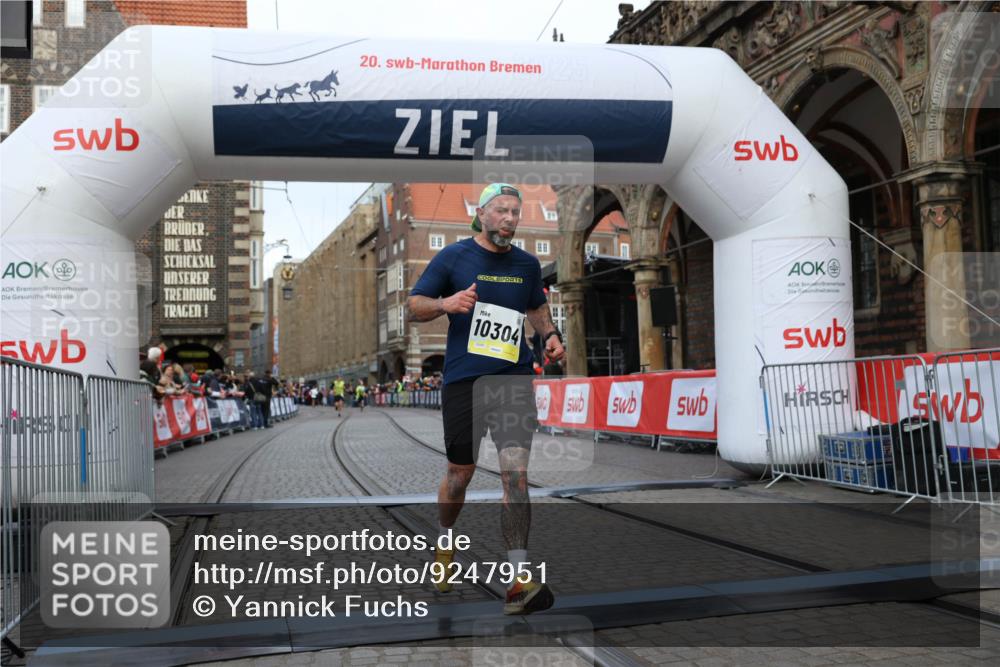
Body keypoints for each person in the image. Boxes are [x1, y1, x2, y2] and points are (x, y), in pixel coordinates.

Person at [407, 183, 564, 615]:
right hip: (465, 382)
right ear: (482, 213)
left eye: (516, 212)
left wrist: (549, 335)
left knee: (515, 475)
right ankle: (444, 542)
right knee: (460, 473)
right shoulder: (453, 257)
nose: (510, 218)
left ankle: (518, 581)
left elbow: (536, 308)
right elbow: (413, 305)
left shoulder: (527, 265)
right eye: (502, 211)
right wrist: (446, 302)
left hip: (513, 380)